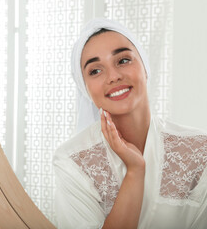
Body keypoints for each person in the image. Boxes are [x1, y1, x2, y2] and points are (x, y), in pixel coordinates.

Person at [53, 18, 207, 229]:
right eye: (95, 71)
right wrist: (135, 171)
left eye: (123, 60)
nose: (114, 76)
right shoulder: (71, 161)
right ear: (85, 89)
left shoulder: (200, 150)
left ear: (145, 67)